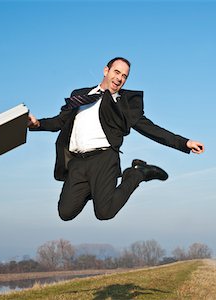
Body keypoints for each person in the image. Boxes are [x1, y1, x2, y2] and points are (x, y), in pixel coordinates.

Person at [28, 57, 204, 221]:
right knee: (65, 213)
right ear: (106, 71)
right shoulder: (80, 95)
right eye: (117, 72)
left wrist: (185, 143)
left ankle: (137, 173)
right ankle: (96, 188)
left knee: (104, 212)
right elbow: (59, 121)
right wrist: (37, 124)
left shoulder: (124, 105)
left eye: (124, 76)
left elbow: (150, 129)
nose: (120, 78)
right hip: (77, 162)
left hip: (104, 159)